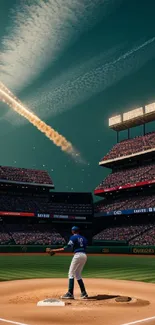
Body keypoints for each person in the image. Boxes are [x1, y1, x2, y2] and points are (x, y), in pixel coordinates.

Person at [46, 226, 88, 299]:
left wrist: (54, 250)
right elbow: (83, 247)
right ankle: (84, 293)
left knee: (71, 274)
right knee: (78, 274)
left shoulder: (73, 237)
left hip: (77, 255)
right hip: (84, 255)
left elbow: (67, 248)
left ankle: (70, 293)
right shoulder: (84, 238)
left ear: (73, 231)